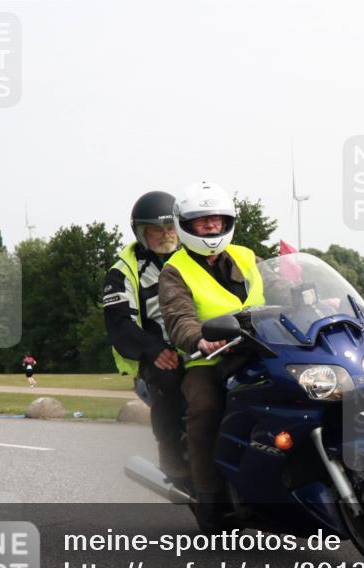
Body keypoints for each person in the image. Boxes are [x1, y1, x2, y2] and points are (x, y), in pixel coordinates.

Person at [159, 181, 265, 531]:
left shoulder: (247, 257)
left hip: (260, 348)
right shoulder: (175, 269)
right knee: (205, 409)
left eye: (217, 220)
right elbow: (178, 317)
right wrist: (198, 339)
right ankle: (208, 494)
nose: (211, 227)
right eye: (202, 221)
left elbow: (282, 286)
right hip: (208, 359)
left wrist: (313, 300)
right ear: (185, 225)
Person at [103, 191, 187, 484]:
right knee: (168, 381)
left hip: (207, 343)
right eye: (156, 230)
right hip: (157, 352)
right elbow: (119, 322)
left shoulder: (197, 256)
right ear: (141, 233)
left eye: (170, 228)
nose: (166, 235)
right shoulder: (123, 270)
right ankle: (171, 454)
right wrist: (153, 349)